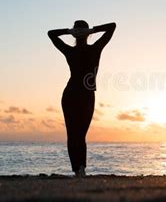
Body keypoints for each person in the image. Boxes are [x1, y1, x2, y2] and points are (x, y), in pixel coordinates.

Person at [48, 20, 116, 177]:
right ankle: (79, 170)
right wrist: (91, 31)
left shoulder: (90, 49)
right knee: (75, 135)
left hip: (82, 95)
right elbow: (111, 27)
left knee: (77, 135)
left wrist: (69, 31)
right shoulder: (80, 50)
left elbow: (51, 34)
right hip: (76, 95)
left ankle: (80, 169)